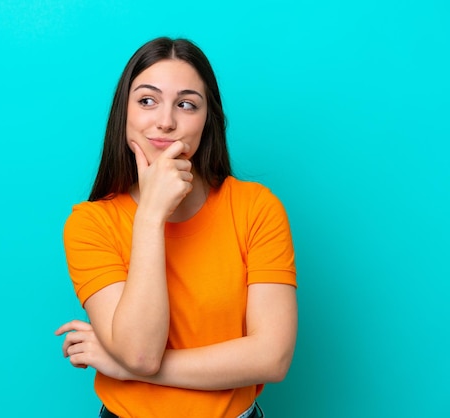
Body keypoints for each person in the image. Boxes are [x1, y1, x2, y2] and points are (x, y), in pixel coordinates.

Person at [55, 37, 297, 418]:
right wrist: (151, 216)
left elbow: (272, 357)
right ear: (124, 114)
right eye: (147, 100)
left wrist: (130, 370)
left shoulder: (256, 208)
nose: (165, 121)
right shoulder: (90, 224)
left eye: (186, 104)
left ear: (208, 120)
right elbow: (140, 351)